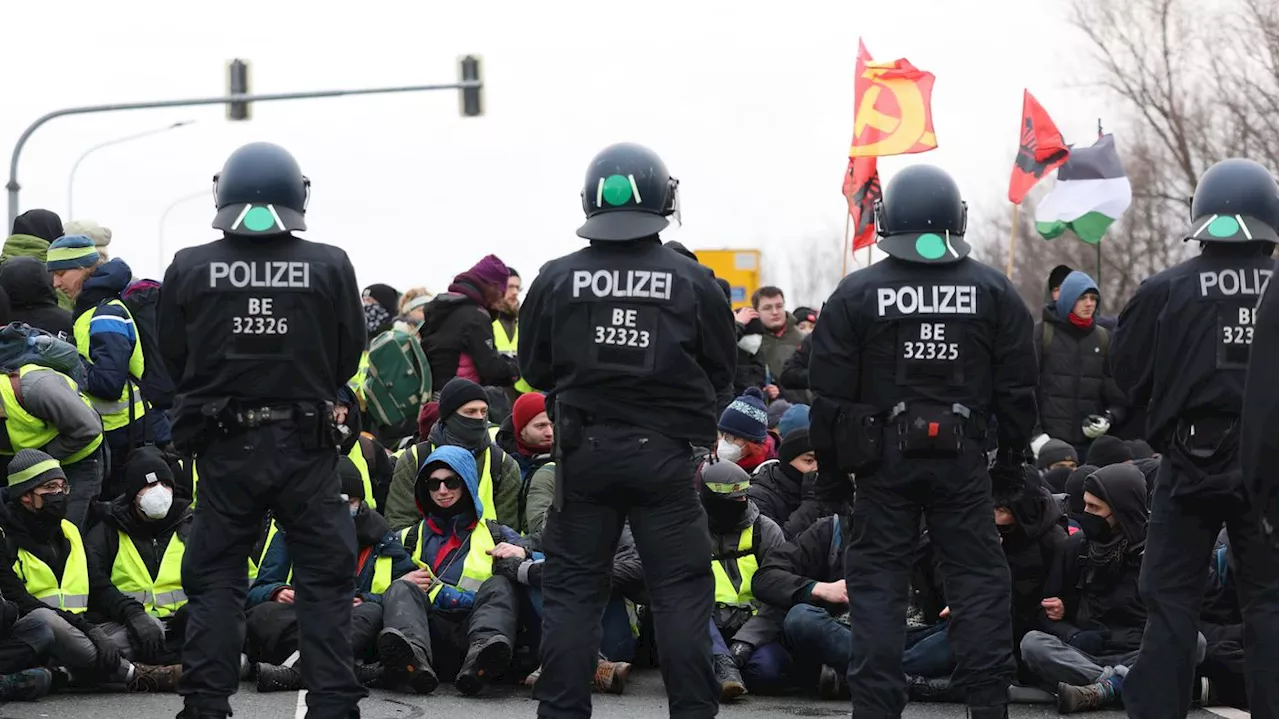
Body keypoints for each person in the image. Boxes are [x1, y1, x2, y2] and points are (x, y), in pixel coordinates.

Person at [808, 164, 1038, 719]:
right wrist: (1009, 463)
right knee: (980, 584)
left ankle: (876, 709)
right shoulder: (993, 290)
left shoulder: (858, 291)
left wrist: (834, 477)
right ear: (957, 220)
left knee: (880, 588)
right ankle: (987, 707)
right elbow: (1019, 389)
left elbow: (829, 399)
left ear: (889, 219)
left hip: (882, 465)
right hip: (963, 465)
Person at [519, 141, 736, 719]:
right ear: (665, 200)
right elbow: (722, 368)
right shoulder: (694, 281)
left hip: (583, 457)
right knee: (681, 596)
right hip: (665, 462)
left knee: (571, 596)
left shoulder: (555, 278)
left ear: (590, 201)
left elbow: (534, 370)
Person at [158, 141, 366, 719]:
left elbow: (175, 357)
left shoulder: (190, 266)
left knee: (217, 580)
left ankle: (205, 705)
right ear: (297, 195)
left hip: (226, 448)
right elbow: (348, 357)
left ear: (222, 192)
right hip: (307, 448)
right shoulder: (329, 263)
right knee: (325, 581)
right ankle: (333, 706)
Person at [1121, 157, 1280, 718]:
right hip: (1272, 466)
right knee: (1269, 604)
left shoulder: (1166, 289)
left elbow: (1125, 379)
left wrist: (1155, 427)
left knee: (1168, 602)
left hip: (1188, 461)